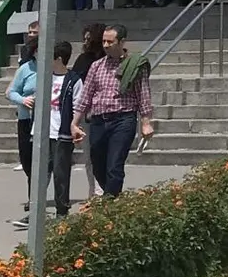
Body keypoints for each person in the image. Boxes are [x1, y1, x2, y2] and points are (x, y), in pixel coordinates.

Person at [72, 25, 155, 197]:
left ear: (122, 42)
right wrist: (74, 122)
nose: (106, 45)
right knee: (97, 162)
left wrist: (146, 123)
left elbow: (143, 95)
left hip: (123, 120)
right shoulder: (96, 66)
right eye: (103, 41)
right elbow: (85, 96)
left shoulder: (134, 65)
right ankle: (112, 195)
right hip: (98, 121)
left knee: (115, 164)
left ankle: (110, 202)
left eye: (110, 41)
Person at [61, 23, 107, 201]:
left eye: (89, 38)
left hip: (106, 113)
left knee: (106, 158)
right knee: (90, 157)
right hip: (88, 115)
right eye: (84, 38)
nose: (86, 42)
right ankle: (95, 192)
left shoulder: (107, 61)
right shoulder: (83, 59)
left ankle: (105, 191)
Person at [6, 39, 39, 228]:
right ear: (34, 52)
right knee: (27, 162)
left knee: (41, 165)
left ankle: (36, 204)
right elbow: (10, 92)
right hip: (26, 120)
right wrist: (23, 99)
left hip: (46, 122)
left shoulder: (53, 69)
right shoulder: (26, 69)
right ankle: (32, 200)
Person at [45, 41, 79, 218]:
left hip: (62, 133)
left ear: (58, 59)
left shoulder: (74, 80)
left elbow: (77, 106)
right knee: (41, 174)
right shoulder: (45, 77)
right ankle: (36, 209)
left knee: (60, 173)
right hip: (43, 132)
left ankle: (62, 210)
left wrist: (74, 127)